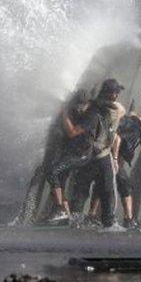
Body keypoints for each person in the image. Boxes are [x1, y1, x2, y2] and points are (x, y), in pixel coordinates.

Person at [75, 78, 127, 229]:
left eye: (117, 92)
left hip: (94, 154)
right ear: (108, 92)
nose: (116, 94)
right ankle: (107, 222)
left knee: (88, 188)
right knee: (106, 189)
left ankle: (77, 219)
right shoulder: (113, 109)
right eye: (114, 92)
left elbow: (83, 110)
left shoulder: (95, 106)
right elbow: (119, 111)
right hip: (98, 154)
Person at [43, 89, 97, 223]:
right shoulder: (77, 111)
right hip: (71, 153)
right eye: (78, 104)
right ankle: (65, 214)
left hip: (82, 155)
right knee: (59, 179)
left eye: (83, 105)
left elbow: (72, 132)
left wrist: (64, 113)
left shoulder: (91, 116)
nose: (80, 108)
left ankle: (60, 209)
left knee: (53, 172)